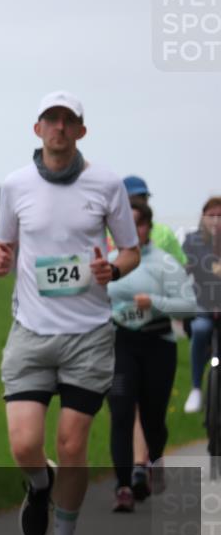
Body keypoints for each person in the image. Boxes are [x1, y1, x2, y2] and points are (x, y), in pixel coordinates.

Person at [0, 90, 140, 535]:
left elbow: (130, 253)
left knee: (73, 445)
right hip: (31, 332)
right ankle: (39, 484)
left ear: (80, 130)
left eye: (67, 120)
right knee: (24, 444)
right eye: (50, 120)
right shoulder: (16, 185)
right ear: (37, 130)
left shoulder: (107, 184)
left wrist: (111, 269)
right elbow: (4, 242)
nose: (58, 127)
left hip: (89, 335)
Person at [106, 202, 196, 511]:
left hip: (158, 344)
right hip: (120, 344)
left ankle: (155, 458)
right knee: (120, 412)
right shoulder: (108, 262)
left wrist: (155, 302)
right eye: (125, 226)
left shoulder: (165, 263)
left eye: (138, 225)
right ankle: (123, 486)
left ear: (148, 227)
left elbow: (189, 305)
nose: (132, 231)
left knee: (152, 417)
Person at [182, 197, 221, 413]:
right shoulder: (192, 241)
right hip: (203, 305)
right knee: (200, 329)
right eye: (211, 216)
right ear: (203, 218)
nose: (216, 221)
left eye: (220, 216)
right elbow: (181, 272)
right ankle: (196, 388)